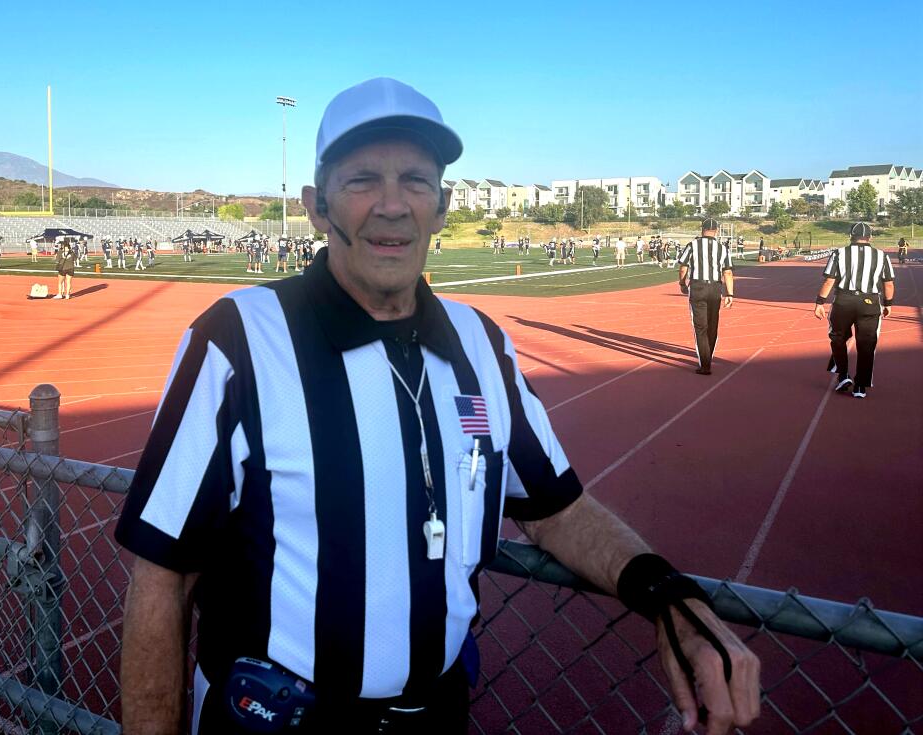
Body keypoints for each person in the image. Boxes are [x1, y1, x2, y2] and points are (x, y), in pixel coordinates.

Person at [115, 77, 759, 735]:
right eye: (363, 178)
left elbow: (556, 509)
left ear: (444, 204)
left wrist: (668, 596)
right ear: (317, 205)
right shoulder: (238, 340)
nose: (393, 206)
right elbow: (164, 574)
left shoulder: (483, 344)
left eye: (417, 180)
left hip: (437, 715)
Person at [815, 222, 895, 399]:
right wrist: (888, 304)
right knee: (867, 344)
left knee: (837, 337)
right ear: (870, 237)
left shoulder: (839, 253)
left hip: (844, 300)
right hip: (870, 301)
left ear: (850, 235)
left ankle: (843, 375)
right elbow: (888, 283)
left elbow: (829, 280)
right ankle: (860, 386)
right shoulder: (881, 256)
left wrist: (820, 302)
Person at [677, 218, 735, 375]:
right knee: (712, 323)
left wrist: (682, 283)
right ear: (716, 230)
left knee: (700, 327)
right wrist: (730, 293)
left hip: (698, 286)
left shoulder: (692, 245)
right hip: (715, 288)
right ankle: (708, 355)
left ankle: (705, 363)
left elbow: (683, 267)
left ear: (701, 229)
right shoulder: (722, 248)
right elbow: (728, 272)